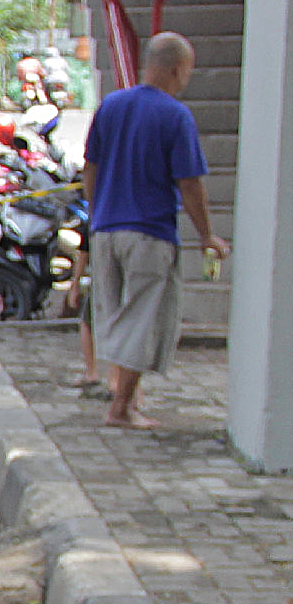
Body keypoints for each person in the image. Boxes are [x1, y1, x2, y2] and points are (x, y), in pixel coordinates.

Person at [82, 31, 227, 430]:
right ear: (178, 70)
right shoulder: (175, 115)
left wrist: (97, 215)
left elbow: (90, 166)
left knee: (115, 316)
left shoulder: (111, 105)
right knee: (145, 321)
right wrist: (207, 235)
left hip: (107, 230)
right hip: (149, 232)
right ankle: (120, 408)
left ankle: (125, 400)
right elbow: (190, 183)